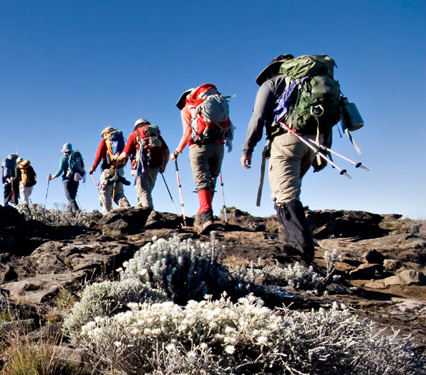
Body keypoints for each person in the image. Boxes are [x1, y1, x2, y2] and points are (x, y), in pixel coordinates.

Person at [241, 54, 320, 263]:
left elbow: (258, 117)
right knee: (291, 192)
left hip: (286, 142)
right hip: (312, 143)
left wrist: (247, 148)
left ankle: (302, 257)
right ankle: (293, 246)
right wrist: (322, 152)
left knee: (285, 196)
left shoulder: (273, 83)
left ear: (273, 70)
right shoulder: (308, 83)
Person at [173, 85, 232, 234]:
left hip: (198, 147)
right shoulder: (214, 102)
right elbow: (228, 123)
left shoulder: (187, 109)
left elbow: (187, 133)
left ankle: (206, 216)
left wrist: (177, 151)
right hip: (218, 146)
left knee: (202, 181)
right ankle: (203, 213)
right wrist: (228, 140)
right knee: (211, 179)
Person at [115, 119, 169, 209]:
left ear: (136, 127)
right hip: (155, 167)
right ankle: (142, 215)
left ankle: (150, 217)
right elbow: (166, 151)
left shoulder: (135, 134)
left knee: (143, 192)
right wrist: (163, 166)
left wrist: (117, 158)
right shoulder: (157, 135)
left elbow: (125, 154)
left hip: (140, 168)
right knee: (146, 192)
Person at [88, 127, 131, 212]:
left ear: (105, 134)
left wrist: (93, 168)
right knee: (118, 193)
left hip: (108, 171)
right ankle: (126, 208)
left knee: (105, 193)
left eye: (103, 135)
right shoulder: (120, 141)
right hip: (119, 169)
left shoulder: (104, 142)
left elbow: (98, 157)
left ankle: (107, 214)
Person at [47, 143, 84, 213]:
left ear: (64, 151)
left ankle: (79, 214)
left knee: (71, 198)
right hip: (76, 180)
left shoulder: (63, 159)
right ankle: (70, 215)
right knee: (72, 199)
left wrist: (52, 177)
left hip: (67, 180)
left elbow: (60, 170)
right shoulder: (76, 157)